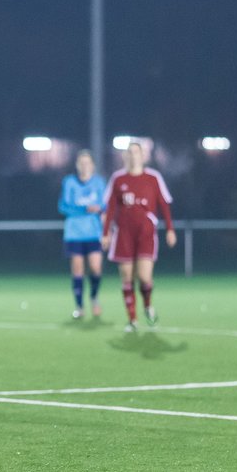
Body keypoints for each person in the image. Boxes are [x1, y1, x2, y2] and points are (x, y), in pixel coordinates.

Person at [101, 141, 176, 332]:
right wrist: (106, 232)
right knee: (127, 278)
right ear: (125, 156)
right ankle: (133, 320)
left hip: (146, 233)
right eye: (130, 152)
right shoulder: (118, 179)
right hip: (124, 234)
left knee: (144, 276)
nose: (133, 155)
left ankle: (148, 306)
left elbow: (164, 204)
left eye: (137, 152)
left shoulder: (153, 177)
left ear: (143, 156)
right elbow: (110, 208)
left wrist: (170, 229)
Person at [58, 149, 107, 319]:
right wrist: (84, 209)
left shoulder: (99, 183)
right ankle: (79, 306)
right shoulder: (69, 182)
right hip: (74, 233)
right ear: (77, 165)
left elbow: (107, 206)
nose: (85, 166)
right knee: (77, 269)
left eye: (88, 163)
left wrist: (103, 218)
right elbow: (63, 207)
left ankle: (94, 297)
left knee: (95, 268)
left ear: (93, 165)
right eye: (82, 163)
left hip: (94, 232)